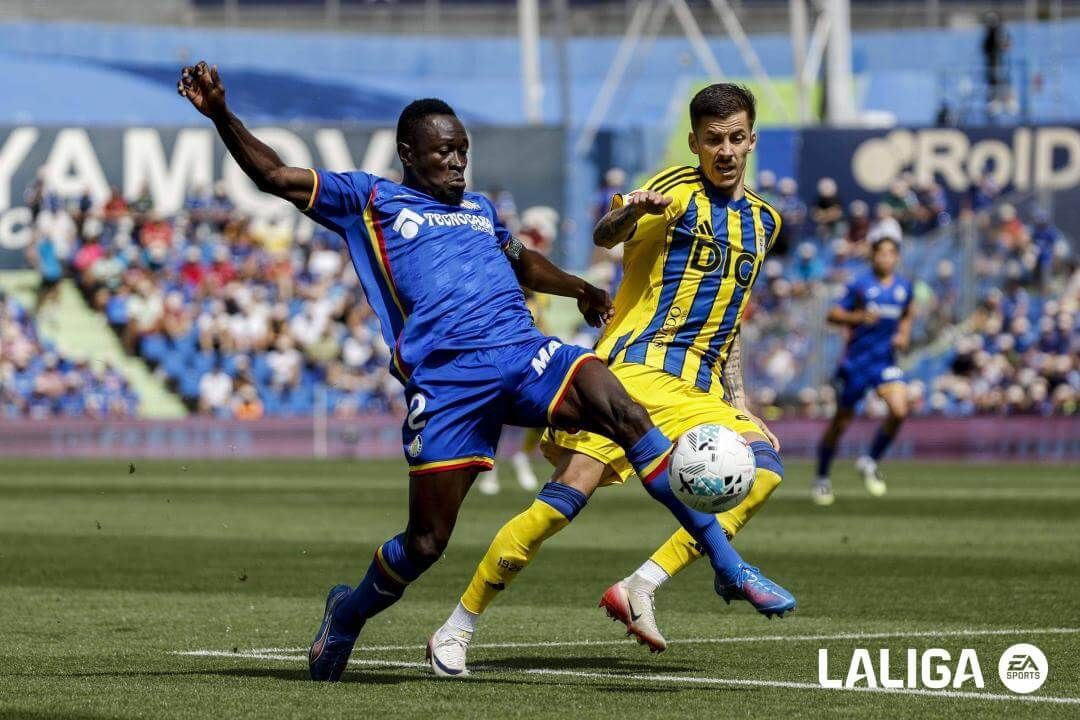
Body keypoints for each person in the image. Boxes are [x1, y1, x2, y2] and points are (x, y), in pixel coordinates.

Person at [179, 62, 786, 682]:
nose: (457, 163)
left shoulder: (478, 210)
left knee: (621, 408)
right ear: (409, 154)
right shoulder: (370, 199)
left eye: (463, 151)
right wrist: (223, 115)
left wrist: (579, 288)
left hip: (523, 355)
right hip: (449, 385)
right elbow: (274, 175)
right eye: (444, 152)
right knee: (424, 545)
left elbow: (522, 261)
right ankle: (349, 613)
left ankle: (724, 562)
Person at [427, 84, 794, 677]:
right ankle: (457, 626)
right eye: (713, 140)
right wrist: (632, 212)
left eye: (735, 138)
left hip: (699, 389)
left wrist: (741, 401)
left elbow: (731, 318)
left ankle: (641, 585)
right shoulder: (675, 189)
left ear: (751, 140)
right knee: (560, 504)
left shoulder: (765, 222)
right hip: (635, 374)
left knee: (766, 470)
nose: (724, 150)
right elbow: (606, 233)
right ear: (696, 142)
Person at [812, 234, 913, 506]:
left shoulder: (904, 286)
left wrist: (903, 335)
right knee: (841, 423)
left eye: (891, 254)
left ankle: (869, 460)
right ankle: (822, 478)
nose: (886, 258)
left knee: (900, 410)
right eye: (881, 253)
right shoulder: (859, 284)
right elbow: (832, 315)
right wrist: (858, 317)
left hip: (885, 362)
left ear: (897, 257)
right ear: (873, 256)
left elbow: (906, 314)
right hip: (856, 363)